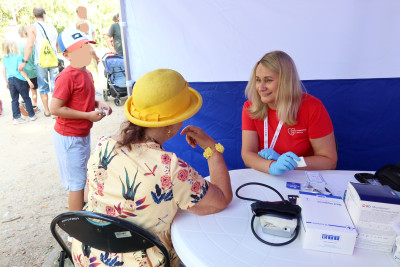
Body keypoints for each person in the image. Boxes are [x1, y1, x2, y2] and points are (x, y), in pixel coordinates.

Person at [70, 69, 232, 266]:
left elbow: (90, 197)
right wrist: (213, 150)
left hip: (89, 254)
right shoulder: (170, 169)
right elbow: (222, 199)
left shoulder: (103, 145)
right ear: (171, 124)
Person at [242, 50, 337, 175]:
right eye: (258, 80)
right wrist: (272, 166)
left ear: (286, 81)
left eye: (268, 80)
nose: (261, 87)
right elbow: (247, 155)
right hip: (265, 175)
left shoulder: (312, 107)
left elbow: (329, 161)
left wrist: (294, 164)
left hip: (302, 179)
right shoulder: (250, 106)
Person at [50, 29, 112, 211]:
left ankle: (86, 212)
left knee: (84, 174)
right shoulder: (67, 76)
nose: (85, 53)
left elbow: (82, 99)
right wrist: (87, 116)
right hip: (69, 137)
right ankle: (75, 231)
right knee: (76, 183)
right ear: (66, 55)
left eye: (86, 47)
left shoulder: (87, 74)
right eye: (78, 50)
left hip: (81, 133)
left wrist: (98, 103)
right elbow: (55, 109)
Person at [18, 6, 59, 117]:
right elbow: (57, 45)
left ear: (33, 15)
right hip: (54, 60)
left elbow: (30, 45)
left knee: (43, 86)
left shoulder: (32, 27)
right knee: (56, 85)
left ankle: (47, 110)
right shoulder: (52, 27)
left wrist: (24, 61)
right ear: (44, 15)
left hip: (41, 61)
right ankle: (56, 111)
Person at [2, 38, 37, 124]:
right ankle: (32, 115)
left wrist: (6, 82)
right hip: (20, 80)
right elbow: (20, 70)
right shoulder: (18, 56)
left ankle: (16, 118)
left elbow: (3, 71)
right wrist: (28, 80)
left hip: (11, 80)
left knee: (14, 100)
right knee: (26, 98)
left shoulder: (4, 58)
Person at [18, 25, 39, 112]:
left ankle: (24, 103)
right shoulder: (32, 44)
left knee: (25, 88)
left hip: (22, 71)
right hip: (32, 70)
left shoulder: (18, 45)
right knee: (33, 89)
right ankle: (34, 106)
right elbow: (35, 56)